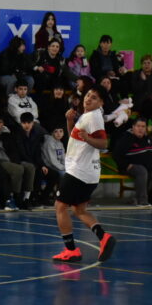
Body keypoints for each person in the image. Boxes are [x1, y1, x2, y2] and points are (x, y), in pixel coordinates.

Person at [51, 86, 117, 263]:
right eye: (88, 95)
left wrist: (88, 138)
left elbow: (103, 143)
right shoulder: (87, 117)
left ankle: (71, 250)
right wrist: (70, 122)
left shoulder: (94, 117)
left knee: (60, 207)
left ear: (101, 103)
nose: (88, 99)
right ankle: (104, 238)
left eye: (94, 98)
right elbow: (76, 139)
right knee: (79, 210)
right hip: (89, 173)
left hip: (78, 172)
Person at [112, 118, 152, 207]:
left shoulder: (149, 139)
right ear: (133, 127)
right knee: (141, 170)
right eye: (138, 126)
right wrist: (126, 165)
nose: (140, 129)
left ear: (146, 128)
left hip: (150, 168)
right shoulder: (126, 138)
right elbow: (116, 155)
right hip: (131, 167)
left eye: (143, 126)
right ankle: (141, 201)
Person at [0, 113, 36, 210]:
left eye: (0, 122)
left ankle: (26, 198)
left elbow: (13, 149)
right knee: (18, 169)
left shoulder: (7, 132)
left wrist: (16, 160)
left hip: (11, 159)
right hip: (0, 161)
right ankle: (15, 198)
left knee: (30, 167)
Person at [18, 112, 57, 206]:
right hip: (22, 162)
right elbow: (22, 154)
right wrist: (37, 166)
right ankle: (32, 198)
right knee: (37, 172)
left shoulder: (36, 135)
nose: (27, 125)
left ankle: (44, 197)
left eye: (29, 123)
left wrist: (42, 165)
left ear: (33, 123)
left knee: (54, 175)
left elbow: (37, 154)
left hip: (35, 163)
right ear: (21, 123)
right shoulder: (18, 135)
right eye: (24, 123)